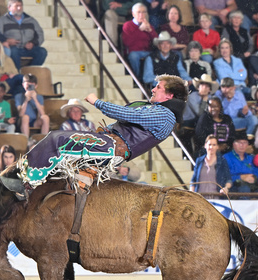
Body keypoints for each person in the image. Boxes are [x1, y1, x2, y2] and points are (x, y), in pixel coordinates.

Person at [19, 74, 187, 191]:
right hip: (109, 143)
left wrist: (96, 102)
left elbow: (126, 114)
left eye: (159, 87)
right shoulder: (159, 111)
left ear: (169, 95)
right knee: (58, 141)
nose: (153, 89)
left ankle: (26, 182)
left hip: (113, 148)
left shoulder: (165, 115)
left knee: (56, 139)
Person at [0, 0, 47, 69]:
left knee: (42, 51)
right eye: (16, 6)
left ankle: (30, 72)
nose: (19, 8)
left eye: (20, 5)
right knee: (13, 51)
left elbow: (40, 34)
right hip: (13, 48)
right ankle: (17, 74)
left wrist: (33, 43)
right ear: (9, 7)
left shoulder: (31, 20)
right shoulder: (2, 20)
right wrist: (6, 41)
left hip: (28, 49)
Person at [223, 130, 258, 196]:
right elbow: (224, 176)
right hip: (235, 187)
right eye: (239, 143)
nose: (242, 145)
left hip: (253, 186)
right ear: (233, 144)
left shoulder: (251, 158)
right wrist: (240, 177)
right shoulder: (226, 157)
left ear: (247, 145)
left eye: (245, 143)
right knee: (244, 189)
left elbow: (257, 172)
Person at [121, 3, 157, 79]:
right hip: (134, 51)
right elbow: (127, 42)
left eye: (144, 12)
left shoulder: (148, 25)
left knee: (157, 56)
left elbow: (156, 40)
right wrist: (140, 29)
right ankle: (136, 79)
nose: (141, 14)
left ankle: (150, 80)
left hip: (147, 51)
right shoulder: (128, 25)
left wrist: (150, 30)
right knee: (134, 56)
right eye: (139, 12)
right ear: (133, 14)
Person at [16, 73, 50, 138]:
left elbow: (42, 113)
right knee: (25, 117)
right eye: (28, 85)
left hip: (35, 122)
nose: (30, 87)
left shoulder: (39, 97)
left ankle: (44, 141)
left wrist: (35, 99)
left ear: (36, 86)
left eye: (32, 85)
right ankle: (26, 141)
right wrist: (26, 100)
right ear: (23, 85)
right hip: (23, 121)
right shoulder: (18, 96)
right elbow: (20, 114)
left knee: (45, 117)